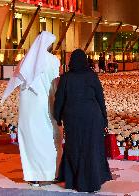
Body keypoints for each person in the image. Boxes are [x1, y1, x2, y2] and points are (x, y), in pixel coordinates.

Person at [1, 31, 62, 186]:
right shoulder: (53, 60)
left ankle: (32, 175)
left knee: (29, 139)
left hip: (27, 106)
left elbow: (17, 81)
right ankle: (47, 174)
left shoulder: (25, 60)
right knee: (45, 138)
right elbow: (55, 85)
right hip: (44, 103)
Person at [54, 49, 112, 192]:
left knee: (75, 148)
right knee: (91, 148)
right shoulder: (92, 76)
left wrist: (58, 117)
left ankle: (75, 180)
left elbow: (59, 99)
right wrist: (105, 119)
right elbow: (100, 98)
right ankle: (92, 182)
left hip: (73, 118)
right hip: (92, 117)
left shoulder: (66, 78)